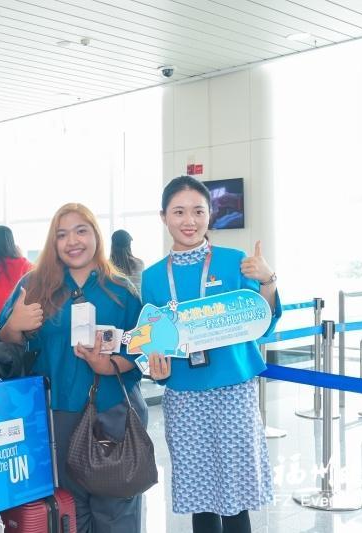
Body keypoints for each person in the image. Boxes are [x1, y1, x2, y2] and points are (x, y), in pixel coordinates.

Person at [143, 176, 281, 533]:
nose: (189, 220)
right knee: (199, 498)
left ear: (210, 215)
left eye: (198, 211)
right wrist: (155, 368)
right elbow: (152, 342)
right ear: (163, 217)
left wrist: (268, 281)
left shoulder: (236, 262)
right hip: (184, 396)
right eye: (179, 212)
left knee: (235, 497)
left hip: (233, 391)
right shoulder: (153, 277)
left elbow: (263, 323)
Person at [0, 203, 145, 532]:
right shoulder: (34, 285)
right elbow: (5, 344)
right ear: (53, 242)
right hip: (56, 416)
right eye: (62, 234)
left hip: (113, 413)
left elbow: (140, 354)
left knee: (117, 512)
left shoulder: (121, 290)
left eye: (81, 231)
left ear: (96, 235)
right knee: (70, 514)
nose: (72, 241)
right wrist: (14, 325)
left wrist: (107, 364)